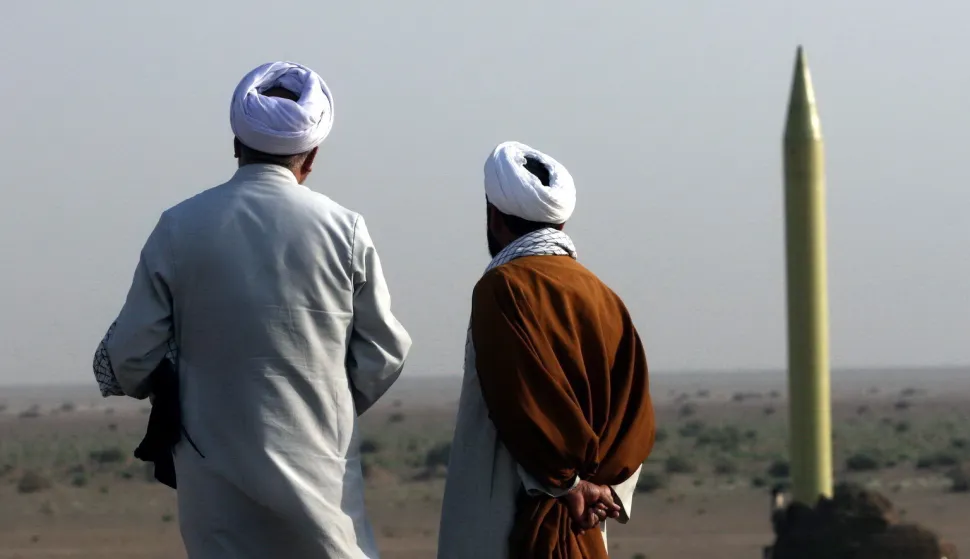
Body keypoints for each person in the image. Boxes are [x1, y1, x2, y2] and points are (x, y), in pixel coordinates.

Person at [92, 61, 411, 559]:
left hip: (212, 479)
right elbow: (386, 351)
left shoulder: (180, 226)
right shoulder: (344, 229)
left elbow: (130, 356)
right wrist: (325, 402)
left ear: (236, 143)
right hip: (320, 469)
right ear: (313, 154)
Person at [437, 141, 656, 558]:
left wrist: (567, 484)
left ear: (494, 217)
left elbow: (522, 398)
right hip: (586, 518)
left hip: (505, 511)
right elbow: (636, 411)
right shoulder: (603, 296)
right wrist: (603, 487)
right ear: (560, 224)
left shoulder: (502, 288)